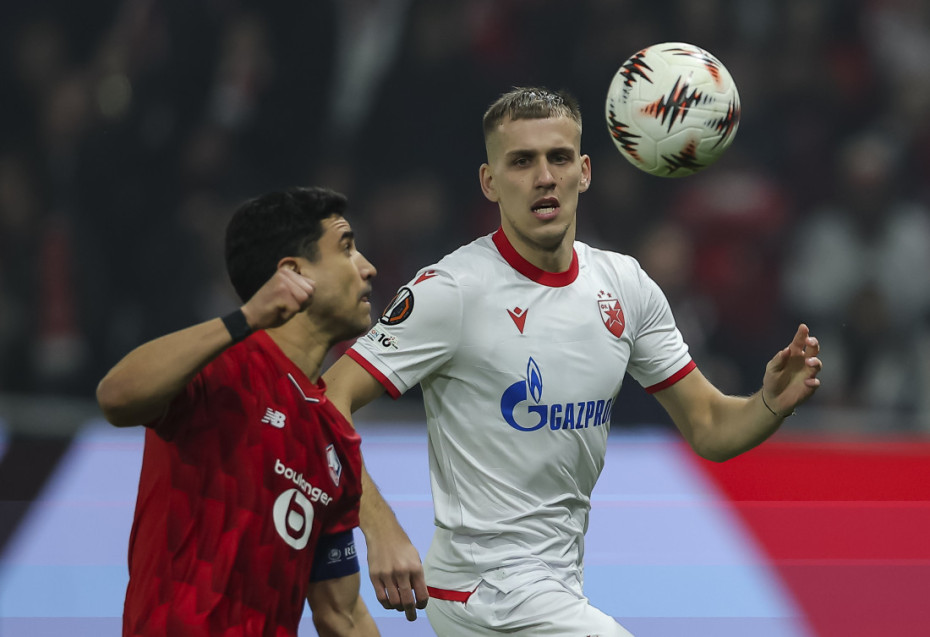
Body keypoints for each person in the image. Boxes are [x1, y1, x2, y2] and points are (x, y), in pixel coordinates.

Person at [323, 88, 823, 636]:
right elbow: (324, 400)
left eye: (558, 158)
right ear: (490, 182)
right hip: (484, 591)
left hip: (554, 588)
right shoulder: (452, 291)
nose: (544, 177)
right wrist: (380, 527)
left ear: (583, 172)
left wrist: (770, 403)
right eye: (522, 161)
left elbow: (708, 425)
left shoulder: (624, 285)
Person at [96, 187, 380, 637]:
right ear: (294, 273)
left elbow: (341, 615)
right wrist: (245, 318)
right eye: (346, 248)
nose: (367, 268)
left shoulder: (335, 439)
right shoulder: (219, 365)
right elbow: (115, 396)